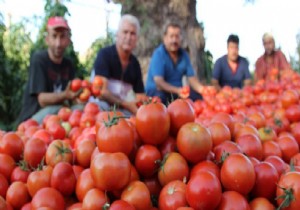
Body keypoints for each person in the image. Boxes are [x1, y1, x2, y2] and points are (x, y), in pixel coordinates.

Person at [17, 16, 81, 124]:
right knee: (59, 109)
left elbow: (71, 96)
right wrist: (66, 95)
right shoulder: (39, 59)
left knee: (79, 109)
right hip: (33, 118)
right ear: (47, 39)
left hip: (54, 119)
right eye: (54, 36)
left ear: (68, 40)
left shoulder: (68, 64)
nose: (58, 43)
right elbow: (42, 100)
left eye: (62, 37)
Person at [91, 14, 146, 115]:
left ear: (137, 39)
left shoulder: (135, 64)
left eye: (133, 33)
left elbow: (140, 96)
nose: (128, 37)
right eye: (125, 32)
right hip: (103, 105)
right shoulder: (104, 55)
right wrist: (126, 104)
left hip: (123, 109)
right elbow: (101, 92)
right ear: (117, 35)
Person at [145, 22, 204, 104]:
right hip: (158, 91)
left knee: (198, 97)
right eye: (171, 36)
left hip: (177, 93)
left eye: (177, 36)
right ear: (165, 38)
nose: (174, 40)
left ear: (181, 38)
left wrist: (204, 90)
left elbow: (192, 79)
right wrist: (178, 90)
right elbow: (159, 82)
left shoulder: (184, 55)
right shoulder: (159, 54)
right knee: (159, 100)